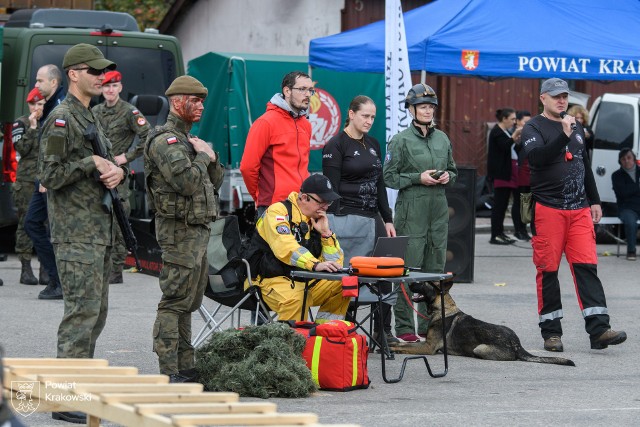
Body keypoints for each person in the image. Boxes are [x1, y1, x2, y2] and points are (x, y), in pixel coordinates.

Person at [39, 43, 121, 424]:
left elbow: (107, 166)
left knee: (96, 313)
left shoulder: (92, 117)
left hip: (97, 230)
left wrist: (117, 171)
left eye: (102, 71)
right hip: (75, 231)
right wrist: (90, 162)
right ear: (73, 74)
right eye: (93, 71)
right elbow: (50, 176)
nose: (100, 77)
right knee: (80, 314)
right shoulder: (62, 118)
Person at [521, 77, 626, 352]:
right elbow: (536, 159)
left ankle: (599, 329)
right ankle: (551, 333)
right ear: (542, 97)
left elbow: (583, 164)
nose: (561, 100)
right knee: (548, 271)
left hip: (579, 210)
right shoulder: (533, 126)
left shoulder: (576, 125)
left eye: (565, 96)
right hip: (548, 209)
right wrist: (563, 136)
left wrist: (594, 200)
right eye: (555, 96)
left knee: (587, 267)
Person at [145, 75, 224, 383]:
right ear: (177, 102)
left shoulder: (190, 142)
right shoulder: (166, 141)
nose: (201, 105)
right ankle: (169, 369)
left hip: (198, 231)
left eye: (202, 100)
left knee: (190, 302)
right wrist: (204, 156)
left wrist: (210, 157)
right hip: (179, 232)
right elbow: (187, 183)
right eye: (195, 100)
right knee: (174, 301)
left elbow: (212, 183)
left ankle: (186, 365)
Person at [383, 83, 457, 343]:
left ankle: (430, 326)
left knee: (434, 269)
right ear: (412, 109)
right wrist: (418, 178)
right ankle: (404, 325)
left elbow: (453, 170)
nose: (428, 110)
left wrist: (448, 176)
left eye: (431, 106)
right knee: (407, 269)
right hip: (411, 211)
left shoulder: (443, 138)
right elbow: (388, 177)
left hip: (437, 210)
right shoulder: (400, 140)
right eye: (423, 106)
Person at [322, 95, 398, 343]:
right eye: (365, 115)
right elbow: (330, 189)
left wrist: (387, 219)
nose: (369, 121)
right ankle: (343, 329)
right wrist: (330, 224)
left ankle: (383, 331)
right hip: (346, 218)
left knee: (386, 272)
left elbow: (380, 183)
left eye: (373, 117)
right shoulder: (336, 145)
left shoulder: (374, 143)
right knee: (350, 275)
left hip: (372, 217)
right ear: (351, 114)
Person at [247, 174, 350, 323]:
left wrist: (326, 235)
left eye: (329, 202)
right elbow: (285, 247)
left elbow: (335, 263)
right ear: (303, 197)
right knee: (298, 298)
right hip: (267, 280)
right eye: (322, 201)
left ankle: (324, 336)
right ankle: (292, 344)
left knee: (343, 284)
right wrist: (314, 265)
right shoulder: (278, 212)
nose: (325, 207)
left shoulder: (315, 220)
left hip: (301, 280)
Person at [93, 70, 150, 283]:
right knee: (98, 219)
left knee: (118, 221)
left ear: (120, 88)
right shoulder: (95, 111)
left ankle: (115, 269)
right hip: (98, 172)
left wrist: (126, 157)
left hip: (117, 174)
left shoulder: (129, 112)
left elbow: (147, 136)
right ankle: (102, 265)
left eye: (114, 86)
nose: (109, 90)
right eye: (106, 86)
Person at [240, 71, 313, 219]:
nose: (308, 94)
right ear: (287, 91)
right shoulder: (265, 123)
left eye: (310, 90)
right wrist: (260, 198)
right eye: (302, 89)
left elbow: (303, 166)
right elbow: (247, 167)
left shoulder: (306, 125)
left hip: (300, 206)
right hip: (274, 207)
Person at [23, 64, 66, 300]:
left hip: (51, 179)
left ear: (53, 82)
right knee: (32, 223)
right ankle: (56, 278)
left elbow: (58, 145)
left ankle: (60, 282)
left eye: (40, 81)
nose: (36, 85)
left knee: (57, 231)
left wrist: (48, 177)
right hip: (44, 176)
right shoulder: (49, 107)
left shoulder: (59, 107)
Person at [11, 87, 46, 285]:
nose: (37, 108)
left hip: (45, 180)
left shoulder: (49, 122)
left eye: (40, 104)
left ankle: (44, 269)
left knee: (46, 225)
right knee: (26, 224)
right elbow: (22, 150)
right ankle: (25, 269)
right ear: (29, 104)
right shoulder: (21, 123)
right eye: (34, 104)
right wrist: (32, 129)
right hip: (26, 181)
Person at [487, 108, 521, 245]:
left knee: (503, 204)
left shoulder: (505, 132)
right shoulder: (497, 132)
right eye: (512, 119)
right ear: (504, 118)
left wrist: (516, 139)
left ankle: (500, 233)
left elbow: (512, 148)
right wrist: (514, 137)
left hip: (507, 173)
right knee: (499, 206)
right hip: (500, 174)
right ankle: (495, 235)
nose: (514, 122)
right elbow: (504, 147)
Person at [611, 148, 640, 261]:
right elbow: (622, 193)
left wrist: (632, 189)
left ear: (633, 159)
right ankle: (631, 251)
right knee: (631, 222)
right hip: (627, 208)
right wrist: (637, 187)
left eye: (629, 158)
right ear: (620, 161)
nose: (627, 161)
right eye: (623, 159)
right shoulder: (616, 175)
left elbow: (628, 191)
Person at [513, 110, 532, 240]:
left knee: (527, 202)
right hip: (518, 172)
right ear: (518, 121)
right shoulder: (514, 134)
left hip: (529, 171)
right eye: (525, 122)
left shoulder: (529, 134)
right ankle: (518, 229)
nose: (527, 124)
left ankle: (524, 229)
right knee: (518, 202)